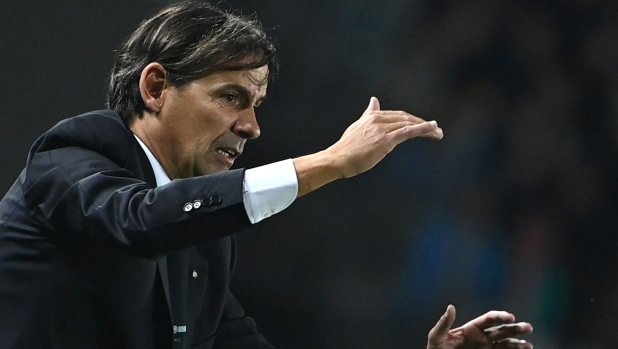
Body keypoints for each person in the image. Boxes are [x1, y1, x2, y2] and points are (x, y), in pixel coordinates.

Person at [0, 1, 532, 348]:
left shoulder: (204, 248)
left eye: (256, 104)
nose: (252, 126)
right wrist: (330, 162)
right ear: (156, 87)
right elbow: (139, 221)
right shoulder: (70, 156)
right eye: (231, 97)